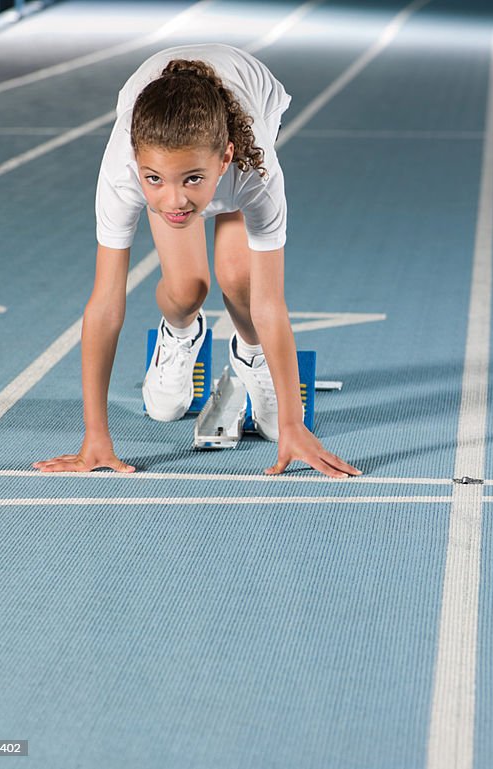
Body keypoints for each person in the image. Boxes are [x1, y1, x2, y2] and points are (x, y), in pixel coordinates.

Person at [34, 44, 361, 479]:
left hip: (249, 109)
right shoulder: (124, 173)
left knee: (240, 279)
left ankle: (251, 354)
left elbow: (270, 302)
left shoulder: (254, 171)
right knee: (188, 288)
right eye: (155, 180)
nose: (173, 199)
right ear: (137, 163)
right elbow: (106, 305)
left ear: (225, 158)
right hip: (180, 151)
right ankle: (181, 333)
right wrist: (95, 436)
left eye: (191, 179)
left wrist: (291, 423)